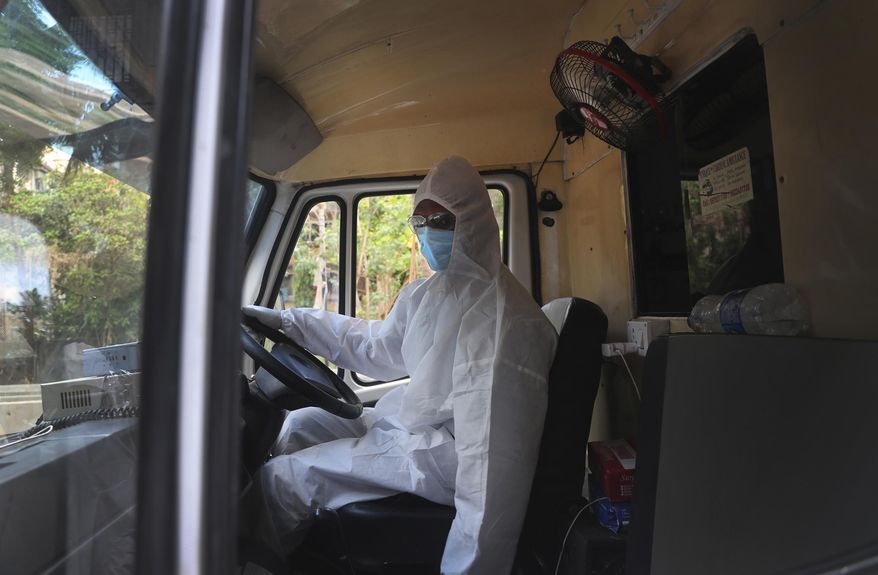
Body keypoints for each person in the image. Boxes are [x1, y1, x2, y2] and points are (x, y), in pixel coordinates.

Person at [242, 156, 557, 574]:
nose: (428, 233)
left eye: (441, 221)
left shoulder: (504, 320)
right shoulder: (429, 293)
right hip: (411, 429)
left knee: (283, 481)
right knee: (300, 427)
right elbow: (376, 348)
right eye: (420, 222)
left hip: (447, 456)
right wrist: (288, 322)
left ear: (474, 223)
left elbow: (491, 461)